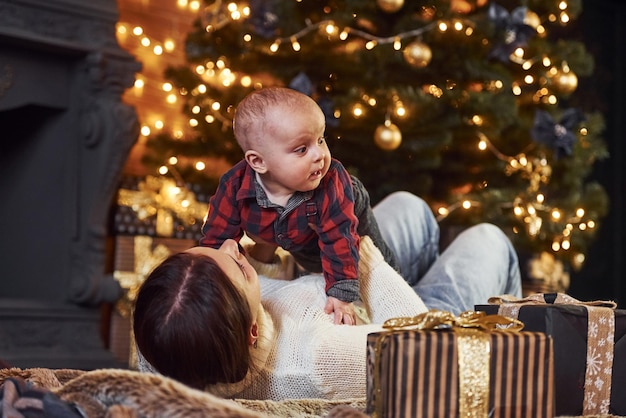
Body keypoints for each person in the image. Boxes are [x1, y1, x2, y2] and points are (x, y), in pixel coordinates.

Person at [133, 191, 522, 400]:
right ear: (251, 331)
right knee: (488, 240)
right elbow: (423, 353)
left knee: (411, 208)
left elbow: (259, 289)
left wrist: (264, 250)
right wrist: (359, 257)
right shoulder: (319, 359)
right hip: (402, 323)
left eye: (211, 250)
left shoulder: (163, 334)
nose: (232, 246)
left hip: (339, 293)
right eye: (238, 264)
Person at [199, 86, 398, 326]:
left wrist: (342, 296)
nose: (320, 155)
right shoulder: (234, 187)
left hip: (345, 227)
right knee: (316, 267)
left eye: (321, 140)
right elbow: (217, 241)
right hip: (302, 246)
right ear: (258, 161)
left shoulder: (330, 181)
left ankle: (394, 288)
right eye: (302, 149)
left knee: (378, 269)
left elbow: (339, 239)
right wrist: (214, 282)